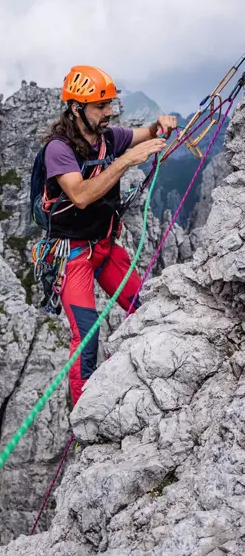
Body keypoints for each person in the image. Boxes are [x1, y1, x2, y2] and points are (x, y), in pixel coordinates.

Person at [39, 65, 177, 406]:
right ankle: (83, 419)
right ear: (76, 108)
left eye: (110, 104)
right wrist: (126, 162)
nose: (109, 112)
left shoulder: (109, 138)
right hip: (74, 255)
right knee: (86, 336)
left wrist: (161, 124)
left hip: (104, 248)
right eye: (101, 106)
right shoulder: (59, 150)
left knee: (147, 309)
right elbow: (81, 196)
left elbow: (143, 133)